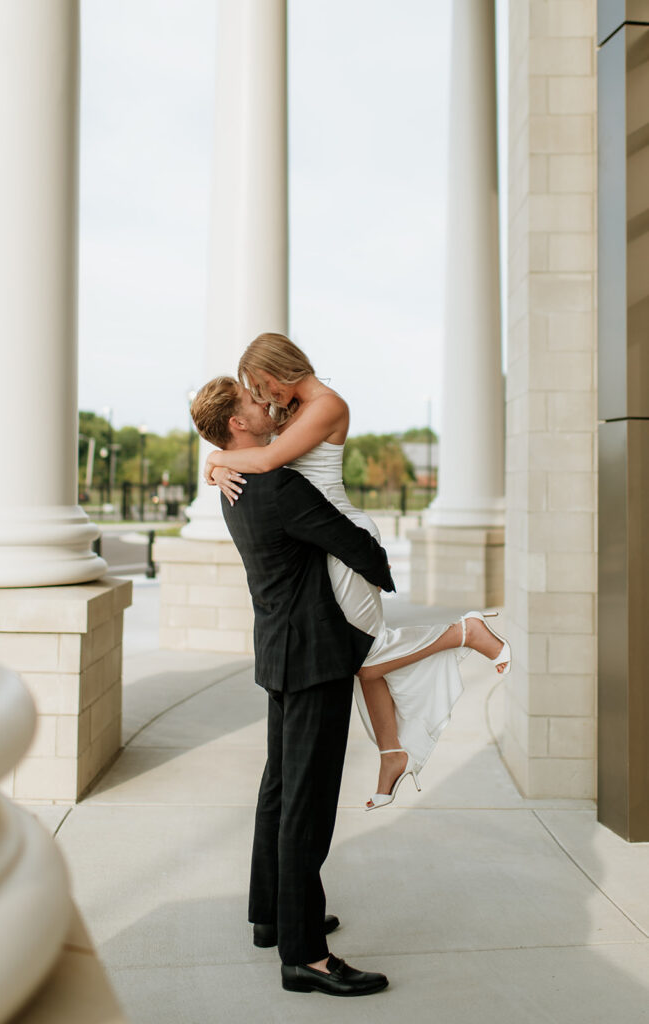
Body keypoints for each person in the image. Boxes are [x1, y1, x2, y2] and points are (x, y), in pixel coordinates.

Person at [205, 333, 511, 809]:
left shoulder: (326, 405)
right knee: (362, 658)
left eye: (262, 384)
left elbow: (265, 460)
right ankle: (392, 753)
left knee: (363, 652)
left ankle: (464, 632)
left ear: (279, 369)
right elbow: (260, 453)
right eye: (255, 392)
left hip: (343, 537)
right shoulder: (294, 411)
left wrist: (216, 458)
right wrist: (215, 459)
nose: (264, 397)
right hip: (321, 538)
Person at [191, 376, 392, 996]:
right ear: (237, 426)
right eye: (255, 403)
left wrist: (214, 460)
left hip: (281, 652)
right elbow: (357, 548)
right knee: (307, 803)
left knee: (280, 788)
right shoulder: (276, 483)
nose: (267, 405)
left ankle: (272, 915)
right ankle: (306, 955)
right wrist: (379, 559)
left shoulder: (233, 482)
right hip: (313, 657)